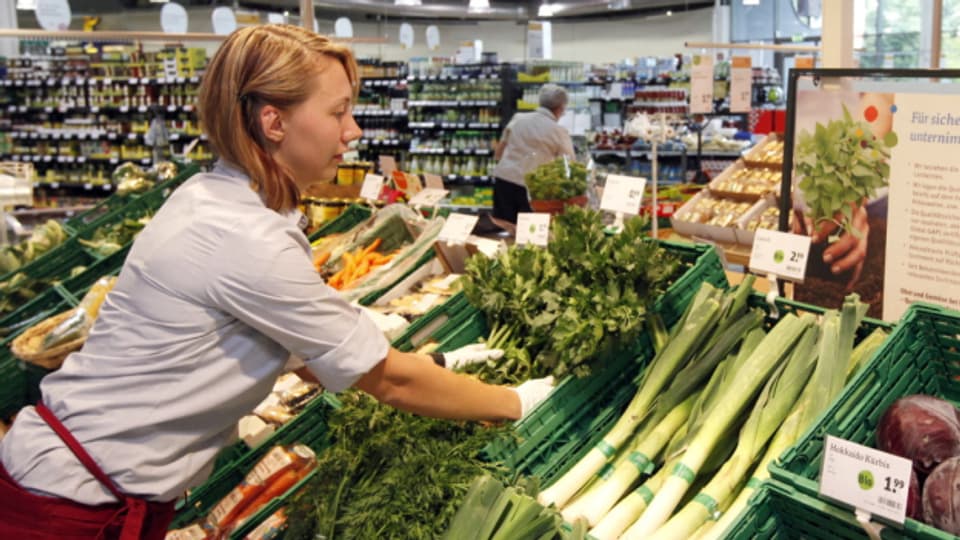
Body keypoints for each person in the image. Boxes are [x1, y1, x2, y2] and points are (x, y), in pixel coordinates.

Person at [0, 25, 553, 540]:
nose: (353, 130)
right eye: (339, 112)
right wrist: (513, 403)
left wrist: (439, 364)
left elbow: (306, 352)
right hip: (70, 507)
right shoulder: (243, 236)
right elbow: (389, 383)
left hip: (83, 481)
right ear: (274, 122)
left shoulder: (215, 199)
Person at [491, 83, 575, 223]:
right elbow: (568, 165)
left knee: (503, 229)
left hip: (504, 181)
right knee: (529, 235)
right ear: (560, 108)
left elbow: (499, 152)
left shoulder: (518, 118)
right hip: (532, 190)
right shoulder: (559, 132)